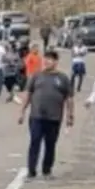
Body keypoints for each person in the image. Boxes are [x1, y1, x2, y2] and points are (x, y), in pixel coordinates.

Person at [18, 50, 73, 180]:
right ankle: (31, 170)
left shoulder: (62, 78)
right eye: (45, 59)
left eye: (50, 60)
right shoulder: (36, 76)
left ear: (55, 62)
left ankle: (47, 170)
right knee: (35, 141)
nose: (47, 62)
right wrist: (22, 112)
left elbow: (69, 98)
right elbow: (28, 95)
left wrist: (70, 115)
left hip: (54, 117)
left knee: (50, 144)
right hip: (37, 116)